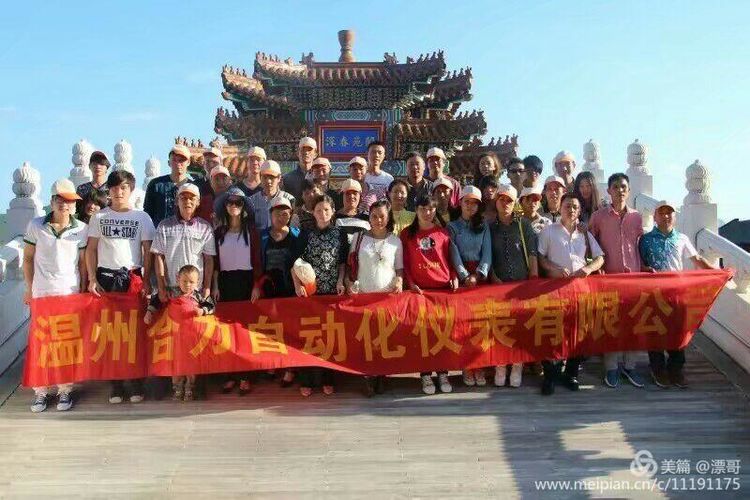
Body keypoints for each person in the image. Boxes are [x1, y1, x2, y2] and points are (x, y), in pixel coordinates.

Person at [86, 170, 155, 404]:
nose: (119, 192)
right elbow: (91, 250)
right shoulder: (99, 217)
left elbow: (148, 251)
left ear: (131, 190)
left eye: (123, 187)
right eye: (114, 187)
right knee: (110, 333)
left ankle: (135, 381)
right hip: (106, 279)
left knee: (133, 332)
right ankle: (115, 383)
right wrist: (92, 279)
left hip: (132, 279)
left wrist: (147, 280)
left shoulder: (142, 217)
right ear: (109, 190)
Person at [23, 179, 88, 413]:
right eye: (60, 200)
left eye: (69, 201)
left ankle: (65, 389)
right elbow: (28, 258)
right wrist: (29, 288)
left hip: (68, 292)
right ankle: (41, 391)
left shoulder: (81, 229)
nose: (64, 205)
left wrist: (82, 290)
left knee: (66, 344)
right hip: (42, 293)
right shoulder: (36, 226)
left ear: (75, 205)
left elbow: (83, 264)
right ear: (51, 201)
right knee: (42, 343)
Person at [639, 200, 715, 388]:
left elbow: (697, 259)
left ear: (675, 216)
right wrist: (645, 269)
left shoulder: (681, 238)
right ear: (654, 216)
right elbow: (639, 263)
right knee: (655, 330)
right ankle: (657, 369)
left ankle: (676, 369)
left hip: (677, 292)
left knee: (677, 330)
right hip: (654, 293)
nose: (666, 216)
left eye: (669, 212)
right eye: (661, 212)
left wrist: (717, 272)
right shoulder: (645, 239)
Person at [537, 194, 604, 395]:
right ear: (560, 208)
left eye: (575, 207)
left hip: (579, 289)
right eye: (567, 206)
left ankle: (571, 374)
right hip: (554, 289)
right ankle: (550, 375)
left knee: (578, 332)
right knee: (552, 332)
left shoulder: (584, 233)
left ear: (580, 210)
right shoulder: (549, 231)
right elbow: (540, 257)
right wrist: (554, 268)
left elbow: (600, 257)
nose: (571, 210)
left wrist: (588, 268)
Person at [588, 173, 645, 389]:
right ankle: (611, 368)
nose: (620, 190)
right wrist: (596, 268)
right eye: (615, 187)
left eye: (623, 187)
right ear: (609, 191)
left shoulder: (637, 217)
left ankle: (630, 366)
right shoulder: (598, 217)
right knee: (611, 324)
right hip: (609, 279)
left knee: (633, 324)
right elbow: (589, 244)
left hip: (633, 279)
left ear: (628, 191)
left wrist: (645, 267)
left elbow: (640, 244)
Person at [400, 194, 458, 395]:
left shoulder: (443, 232)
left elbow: (450, 259)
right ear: (416, 210)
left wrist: (453, 276)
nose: (427, 212)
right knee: (424, 335)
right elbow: (405, 263)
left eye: (431, 209)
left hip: (442, 290)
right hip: (420, 292)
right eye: (423, 209)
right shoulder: (407, 234)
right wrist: (411, 283)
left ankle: (443, 372)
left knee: (442, 333)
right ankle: (425, 374)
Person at [346, 199, 404, 396]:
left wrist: (399, 281)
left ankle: (382, 375)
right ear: (369, 217)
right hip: (363, 295)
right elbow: (350, 265)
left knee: (384, 338)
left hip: (386, 298)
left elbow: (399, 269)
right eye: (374, 216)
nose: (378, 220)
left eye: (382, 216)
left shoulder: (395, 241)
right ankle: (368, 377)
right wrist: (348, 284)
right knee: (366, 339)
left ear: (388, 218)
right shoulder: (358, 238)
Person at [295, 194, 347, 396]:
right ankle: (306, 379)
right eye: (318, 210)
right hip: (310, 293)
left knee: (329, 337)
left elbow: (342, 262)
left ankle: (328, 378)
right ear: (312, 212)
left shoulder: (339, 233)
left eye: (326, 210)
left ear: (333, 211)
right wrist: (298, 285)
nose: (322, 213)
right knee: (308, 336)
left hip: (332, 291)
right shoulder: (305, 234)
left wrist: (341, 280)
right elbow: (295, 262)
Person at [252, 197, 306, 388]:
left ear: (290, 215)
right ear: (270, 214)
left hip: (290, 287)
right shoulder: (262, 236)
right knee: (270, 328)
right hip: (268, 287)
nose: (281, 217)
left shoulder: (297, 235)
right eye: (277, 213)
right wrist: (256, 285)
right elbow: (257, 263)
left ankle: (291, 368)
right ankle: (274, 363)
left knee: (290, 329)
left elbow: (302, 263)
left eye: (285, 214)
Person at [212, 186, 261, 395]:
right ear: (225, 206)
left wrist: (256, 285)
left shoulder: (252, 232)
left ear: (244, 207)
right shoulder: (219, 233)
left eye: (238, 203)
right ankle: (229, 374)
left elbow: (257, 262)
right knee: (227, 331)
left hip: (246, 281)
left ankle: (246, 376)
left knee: (245, 329)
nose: (234, 206)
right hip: (225, 282)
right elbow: (215, 263)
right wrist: (215, 285)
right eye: (230, 202)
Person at [489, 184, 539, 388]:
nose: (505, 203)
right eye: (501, 199)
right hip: (498, 285)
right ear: (496, 202)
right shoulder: (490, 227)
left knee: (520, 326)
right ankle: (501, 365)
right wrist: (493, 277)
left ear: (515, 202)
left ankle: (517, 365)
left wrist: (533, 278)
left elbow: (532, 253)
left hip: (521, 284)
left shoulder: (523, 225)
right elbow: (487, 255)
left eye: (509, 200)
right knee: (500, 326)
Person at [144, 264, 215, 401]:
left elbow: (211, 306)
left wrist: (202, 311)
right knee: (175, 363)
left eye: (191, 282)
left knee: (191, 363)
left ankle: (190, 387)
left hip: (192, 338)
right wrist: (149, 312)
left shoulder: (199, 295)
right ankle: (177, 388)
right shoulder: (171, 292)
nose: (187, 285)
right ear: (178, 279)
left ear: (198, 282)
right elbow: (156, 300)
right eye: (184, 281)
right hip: (174, 337)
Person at [447, 186, 492, 387]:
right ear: (460, 203)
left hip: (481, 279)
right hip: (462, 278)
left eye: (474, 203)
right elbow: (453, 252)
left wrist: (480, 273)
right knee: (464, 325)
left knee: (481, 325)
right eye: (467, 202)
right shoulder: (452, 226)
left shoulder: (484, 226)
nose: (470, 206)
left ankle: (479, 365)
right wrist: (465, 275)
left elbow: (487, 252)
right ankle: (466, 366)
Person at [144, 144, 205, 228]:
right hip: (159, 232)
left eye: (181, 160)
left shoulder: (195, 187)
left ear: (188, 162)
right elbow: (147, 214)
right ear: (169, 163)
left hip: (187, 232)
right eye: (174, 160)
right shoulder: (156, 184)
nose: (178, 163)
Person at [248, 160, 295, 230]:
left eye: (272, 177)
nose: (268, 181)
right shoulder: (252, 201)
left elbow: (292, 226)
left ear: (279, 178)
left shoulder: (289, 199)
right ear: (260, 177)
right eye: (265, 177)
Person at [282, 137, 317, 201]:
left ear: (315, 154)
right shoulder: (287, 178)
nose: (306, 153)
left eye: (309, 150)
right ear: (298, 153)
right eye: (303, 150)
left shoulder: (318, 177)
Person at [363, 140, 394, 206]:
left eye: (380, 153)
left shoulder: (389, 178)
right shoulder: (362, 177)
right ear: (367, 154)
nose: (376, 155)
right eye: (373, 152)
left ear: (384, 156)